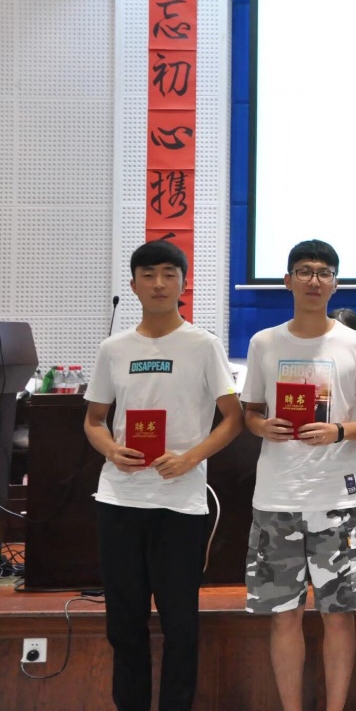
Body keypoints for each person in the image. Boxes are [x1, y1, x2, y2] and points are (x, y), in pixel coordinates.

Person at [83, 239, 244, 711]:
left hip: (180, 505)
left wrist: (191, 458)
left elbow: (233, 418)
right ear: (134, 285)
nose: (159, 283)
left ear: (183, 284)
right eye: (148, 275)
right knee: (124, 625)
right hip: (120, 501)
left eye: (169, 274)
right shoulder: (114, 349)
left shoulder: (203, 345)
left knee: (181, 625)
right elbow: (93, 420)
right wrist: (112, 449)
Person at [240, 240, 356, 711]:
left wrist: (338, 430)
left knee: (338, 616)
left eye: (324, 272)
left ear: (335, 283)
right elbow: (249, 413)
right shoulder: (264, 343)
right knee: (283, 616)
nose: (314, 280)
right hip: (276, 500)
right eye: (304, 271)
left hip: (338, 502)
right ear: (287, 281)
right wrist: (263, 426)